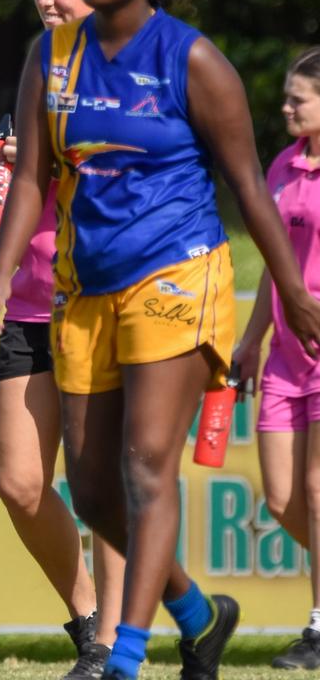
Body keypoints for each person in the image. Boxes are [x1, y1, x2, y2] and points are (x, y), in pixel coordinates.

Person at [0, 0, 320, 678]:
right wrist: (0, 273)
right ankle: (198, 616)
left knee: (145, 468)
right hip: (85, 286)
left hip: (179, 274)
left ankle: (124, 657)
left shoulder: (192, 59)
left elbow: (247, 187)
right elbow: (30, 176)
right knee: (95, 492)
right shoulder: (52, 58)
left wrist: (291, 292)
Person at [0, 0, 123, 679]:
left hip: (99, 301)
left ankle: (109, 644)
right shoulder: (39, 70)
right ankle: (89, 615)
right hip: (31, 302)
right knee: (19, 481)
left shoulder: (121, 73)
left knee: (100, 483)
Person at [232, 46, 320, 671]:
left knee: (317, 491)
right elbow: (274, 263)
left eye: (299, 98)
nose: (286, 106)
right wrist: (251, 337)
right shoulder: (284, 164)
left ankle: (317, 627)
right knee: (283, 499)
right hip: (287, 355)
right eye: (288, 97)